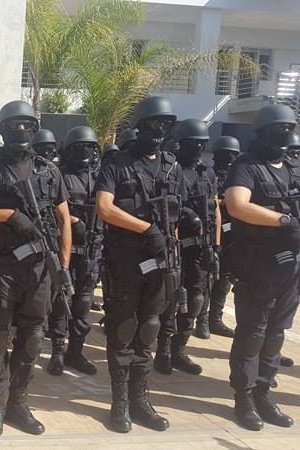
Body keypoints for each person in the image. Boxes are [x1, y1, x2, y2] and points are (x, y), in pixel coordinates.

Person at [0, 100, 71, 437]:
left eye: (27, 125)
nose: (21, 130)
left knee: (33, 339)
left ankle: (18, 403)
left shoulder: (49, 171)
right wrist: (8, 215)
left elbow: (64, 218)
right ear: (2, 131)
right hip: (2, 267)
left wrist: (64, 265)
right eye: (14, 125)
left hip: (39, 269)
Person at [95, 96, 185, 433]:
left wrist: (171, 247)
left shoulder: (173, 167)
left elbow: (174, 216)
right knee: (123, 329)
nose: (160, 130)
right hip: (126, 261)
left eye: (166, 124)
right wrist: (147, 229)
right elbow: (105, 208)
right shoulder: (117, 163)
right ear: (141, 125)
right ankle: (119, 403)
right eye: (154, 123)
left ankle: (140, 400)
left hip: (161, 262)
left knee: (149, 330)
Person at [223, 103, 299, 431]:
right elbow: (237, 205)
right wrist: (284, 221)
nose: (284, 135)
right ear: (262, 132)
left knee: (276, 334)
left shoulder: (293, 166)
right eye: (277, 129)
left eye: (288, 129)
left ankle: (264, 394)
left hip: (290, 267)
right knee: (252, 333)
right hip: (258, 264)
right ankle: (244, 397)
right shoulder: (246, 166)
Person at [154, 119, 220, 376]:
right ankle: (163, 350)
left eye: (202, 143)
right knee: (171, 299)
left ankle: (179, 349)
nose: (198, 147)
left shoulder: (207, 172)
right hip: (177, 245)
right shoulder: (170, 170)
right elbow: (164, 208)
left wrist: (215, 245)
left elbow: (215, 209)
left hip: (201, 248)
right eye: (193, 143)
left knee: (196, 299)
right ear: (181, 142)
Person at [47, 125, 100, 376]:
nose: (86, 152)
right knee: (62, 299)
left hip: (91, 249)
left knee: (84, 302)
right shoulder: (58, 175)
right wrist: (73, 221)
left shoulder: (99, 176)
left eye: (90, 147)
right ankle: (57, 351)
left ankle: (75, 351)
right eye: (81, 147)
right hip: (66, 248)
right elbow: (50, 207)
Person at [203, 136, 240, 339]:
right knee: (206, 277)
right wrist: (223, 201)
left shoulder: (238, 176)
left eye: (233, 154)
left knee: (225, 279)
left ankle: (214, 319)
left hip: (232, 235)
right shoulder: (208, 173)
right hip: (212, 232)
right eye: (226, 154)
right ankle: (200, 319)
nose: (230, 158)